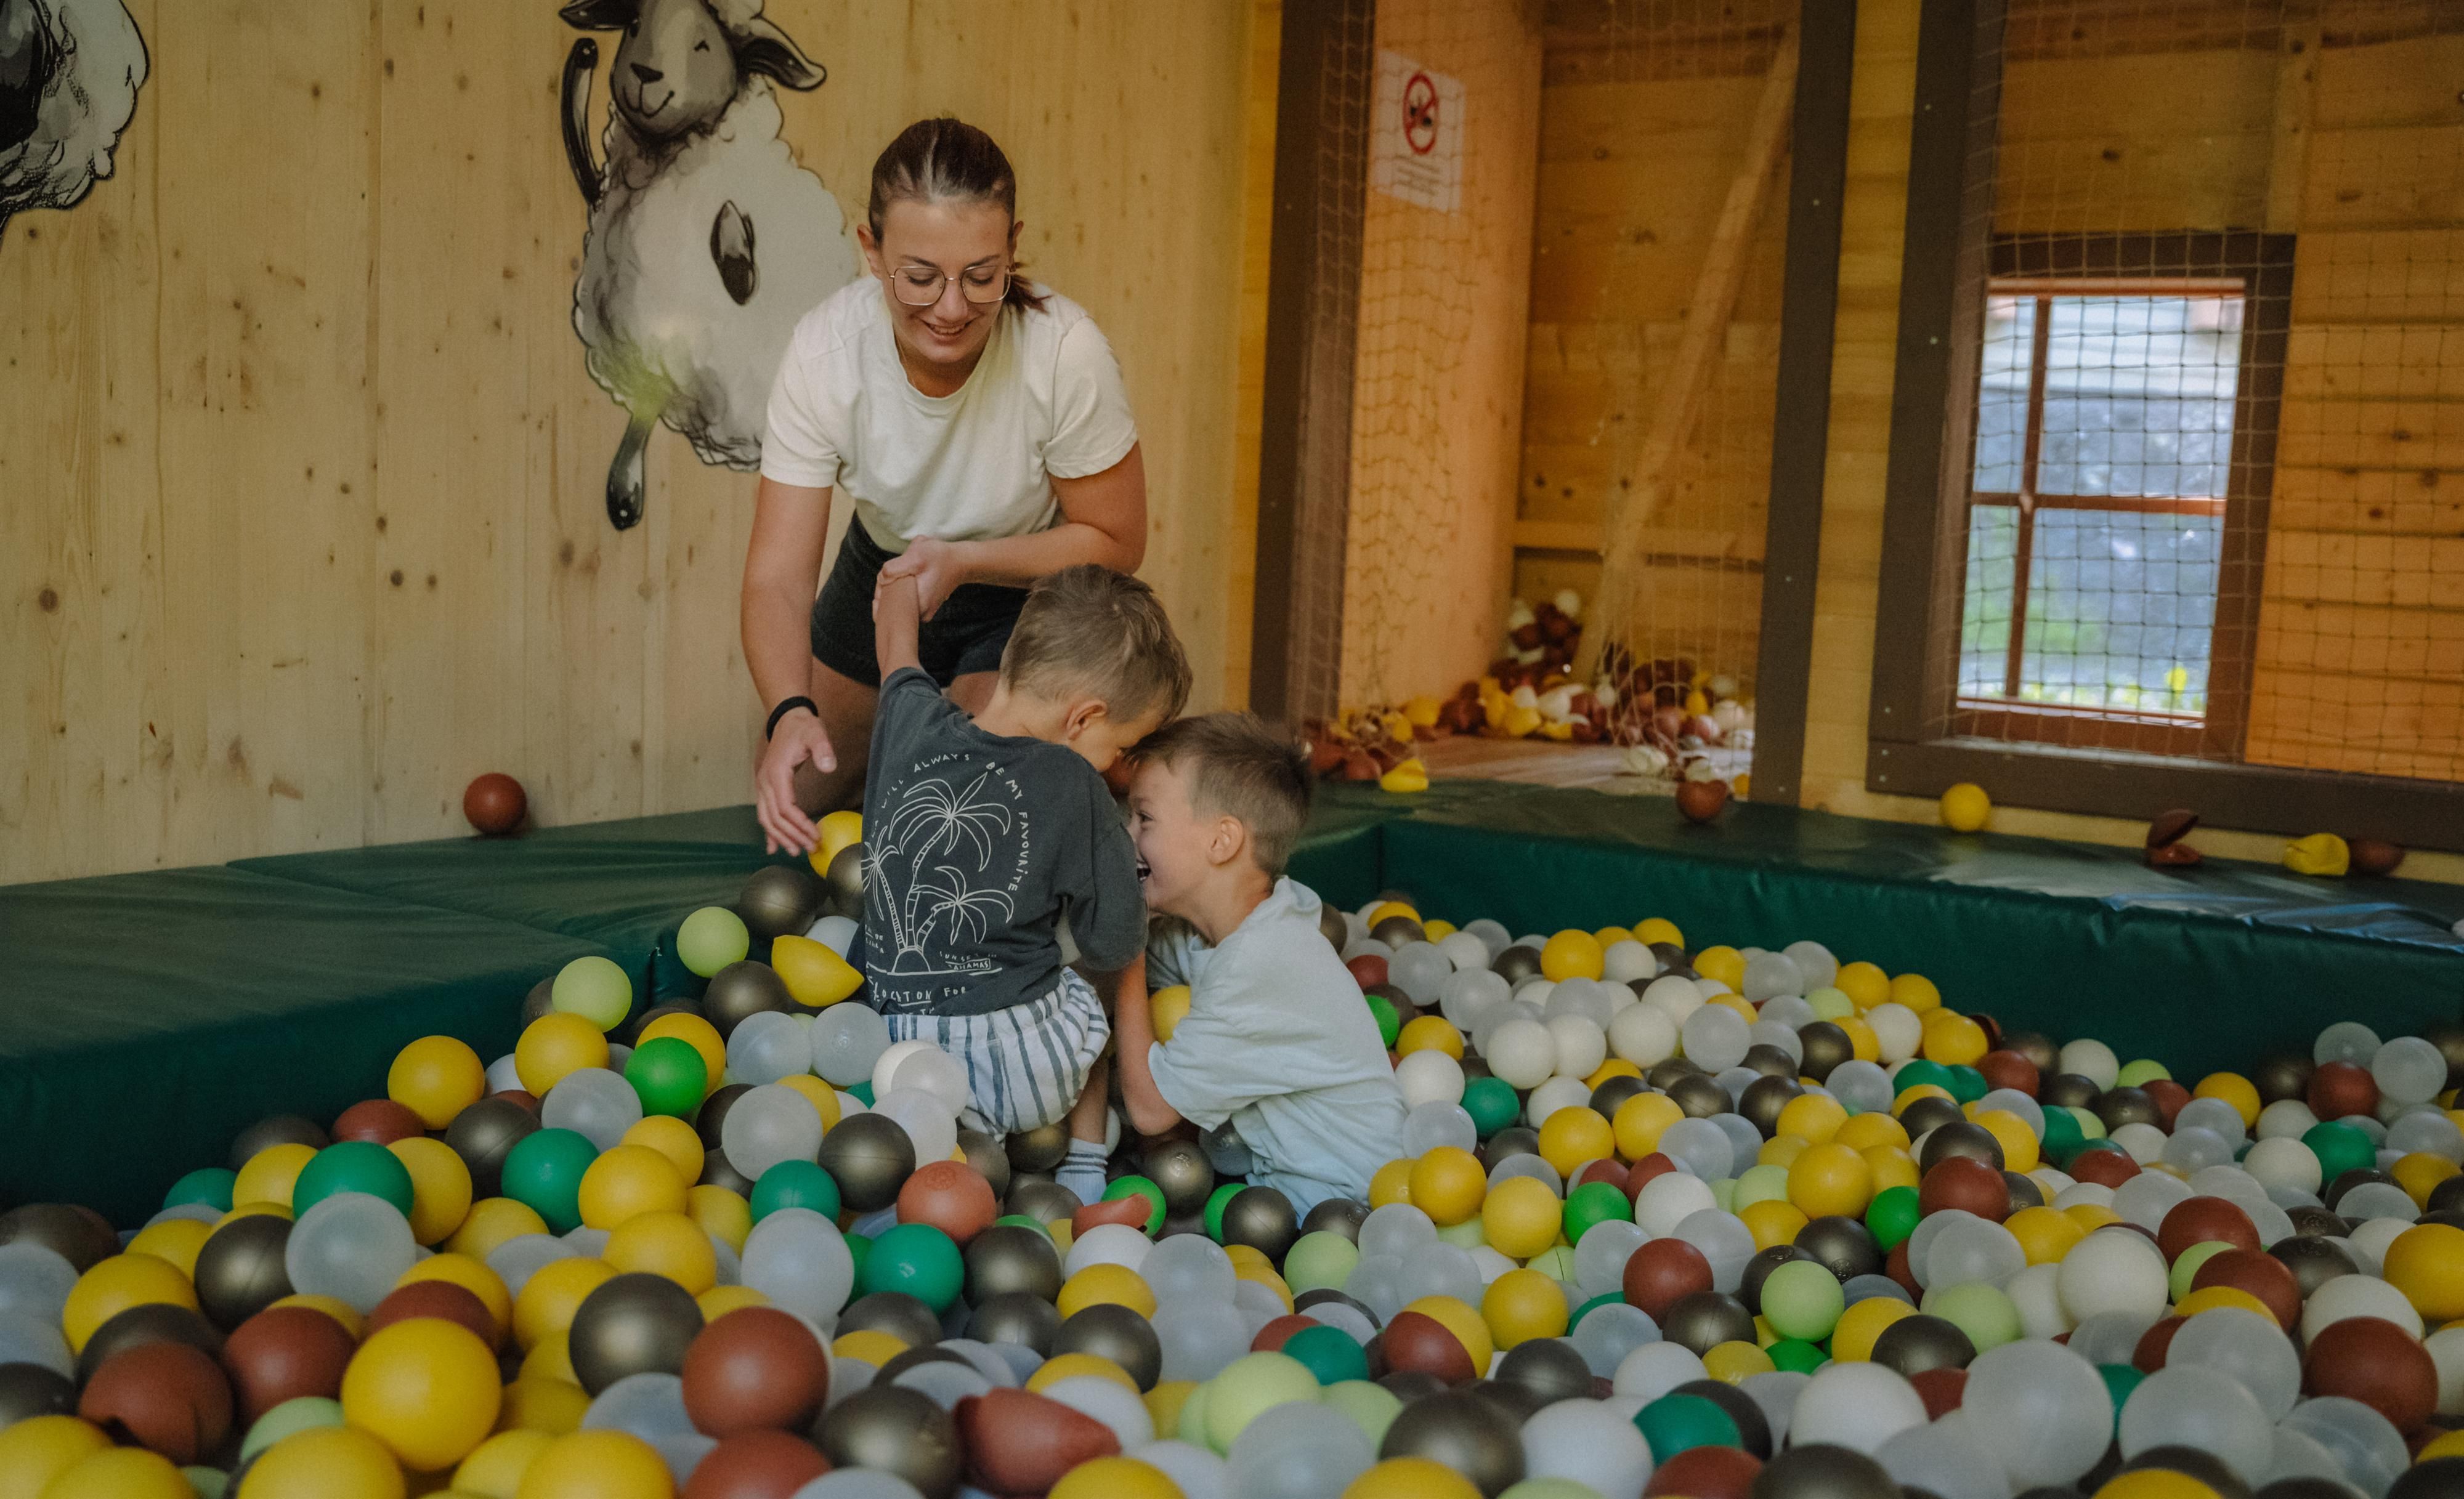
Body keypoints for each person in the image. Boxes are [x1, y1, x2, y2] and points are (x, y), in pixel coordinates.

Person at [744, 116, 1148, 856]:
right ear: (872, 252)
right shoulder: (825, 353)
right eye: (921, 277)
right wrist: (787, 710)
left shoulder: (1065, 353)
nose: (952, 308)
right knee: (795, 796)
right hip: (883, 565)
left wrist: (965, 561)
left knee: (971, 798)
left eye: (981, 276)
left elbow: (1117, 541)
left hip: (1023, 581)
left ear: (1012, 247)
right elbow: (776, 577)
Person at [862, 562, 1189, 1202]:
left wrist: (904, 578)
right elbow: (1114, 943)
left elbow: (896, 647)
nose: (1117, 766)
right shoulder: (1077, 784)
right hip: (1025, 1066)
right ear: (1084, 718)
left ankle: (963, 1154)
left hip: (897, 1057)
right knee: (1097, 966)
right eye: (1122, 746)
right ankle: (1086, 1167)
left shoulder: (906, 717)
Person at [1110, 714, 1406, 1212]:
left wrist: (1124, 945)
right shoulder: (1257, 921)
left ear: (1221, 842)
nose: (1127, 834)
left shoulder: (1262, 962)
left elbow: (1151, 1110)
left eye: (1145, 819)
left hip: (1345, 1209)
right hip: (1276, 1197)